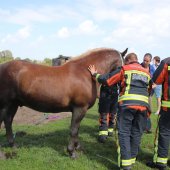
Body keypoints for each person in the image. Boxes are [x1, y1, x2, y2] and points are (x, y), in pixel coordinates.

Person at [88, 53, 151, 170]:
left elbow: (107, 80)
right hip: (143, 107)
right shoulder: (146, 72)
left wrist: (94, 74)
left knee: (124, 133)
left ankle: (126, 165)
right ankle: (132, 159)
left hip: (128, 105)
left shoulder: (125, 69)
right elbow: (149, 89)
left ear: (126, 61)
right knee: (136, 133)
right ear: (137, 60)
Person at [146, 57, 170, 170]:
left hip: (168, 109)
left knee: (165, 133)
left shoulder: (167, 62)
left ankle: (161, 161)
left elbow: (155, 79)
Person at [141, 53, 155, 133]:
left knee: (148, 109)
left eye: (147, 61)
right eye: (144, 60)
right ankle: (143, 127)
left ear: (150, 61)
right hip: (140, 92)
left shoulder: (152, 68)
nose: (145, 62)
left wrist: (154, 84)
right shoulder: (139, 67)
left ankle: (148, 127)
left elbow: (155, 79)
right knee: (141, 110)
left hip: (148, 92)